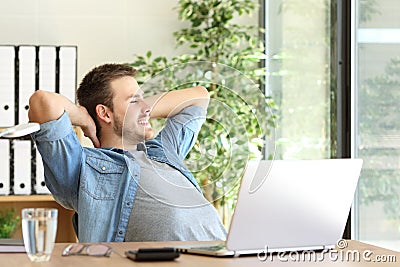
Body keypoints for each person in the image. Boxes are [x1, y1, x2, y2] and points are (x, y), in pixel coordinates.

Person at [28, 63, 227, 242]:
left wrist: (140, 109)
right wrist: (85, 119)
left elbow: (199, 96)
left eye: (143, 99)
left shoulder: (163, 150)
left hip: (226, 255)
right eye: (133, 101)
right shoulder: (83, 167)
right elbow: (43, 101)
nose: (147, 108)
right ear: (104, 113)